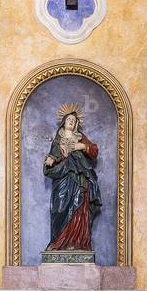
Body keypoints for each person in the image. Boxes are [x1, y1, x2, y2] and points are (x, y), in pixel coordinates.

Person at [43, 106, 101, 251]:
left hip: (80, 178)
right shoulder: (58, 139)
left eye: (73, 120)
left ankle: (77, 243)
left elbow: (94, 150)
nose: (71, 121)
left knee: (80, 207)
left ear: (76, 124)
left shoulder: (80, 137)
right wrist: (50, 159)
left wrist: (82, 146)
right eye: (68, 119)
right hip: (63, 177)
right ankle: (59, 243)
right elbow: (54, 156)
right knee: (60, 207)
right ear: (64, 122)